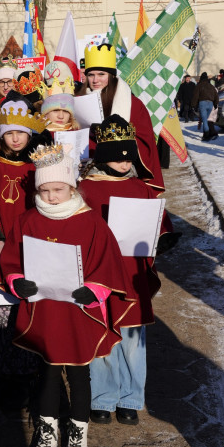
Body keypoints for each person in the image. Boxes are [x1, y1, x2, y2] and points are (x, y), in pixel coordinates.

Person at [0, 143, 132, 447]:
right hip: (43, 311)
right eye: (45, 190)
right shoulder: (27, 220)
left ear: (72, 187)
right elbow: (12, 258)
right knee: (47, 374)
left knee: (79, 375)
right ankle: (47, 433)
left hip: (78, 313)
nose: (52, 197)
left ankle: (78, 436)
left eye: (58, 189)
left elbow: (107, 263)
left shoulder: (90, 222)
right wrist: (16, 280)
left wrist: (95, 289)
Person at [78, 114, 179, 426]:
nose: (124, 164)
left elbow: (157, 222)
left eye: (128, 158)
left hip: (133, 274)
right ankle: (103, 397)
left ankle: (131, 398)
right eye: (117, 158)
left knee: (133, 339)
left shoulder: (142, 188)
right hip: (99, 273)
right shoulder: (86, 190)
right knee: (102, 332)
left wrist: (162, 239)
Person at [0, 99, 50, 409]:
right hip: (3, 248)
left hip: (37, 246)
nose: (15, 139)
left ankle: (36, 374)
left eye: (21, 133)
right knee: (5, 315)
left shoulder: (41, 165)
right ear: (1, 135)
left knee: (35, 311)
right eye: (9, 133)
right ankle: (9, 374)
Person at [78, 42, 164, 195]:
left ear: (111, 76)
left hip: (124, 170)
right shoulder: (78, 100)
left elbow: (145, 139)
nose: (95, 80)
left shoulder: (133, 104)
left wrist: (115, 145)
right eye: (91, 75)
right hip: (88, 172)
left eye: (101, 74)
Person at [191, 72, 219, 141]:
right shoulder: (211, 86)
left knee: (205, 120)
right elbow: (216, 96)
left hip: (202, 103)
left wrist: (193, 105)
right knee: (205, 120)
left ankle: (206, 136)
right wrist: (215, 104)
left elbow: (195, 96)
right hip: (211, 104)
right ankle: (205, 135)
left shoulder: (199, 86)